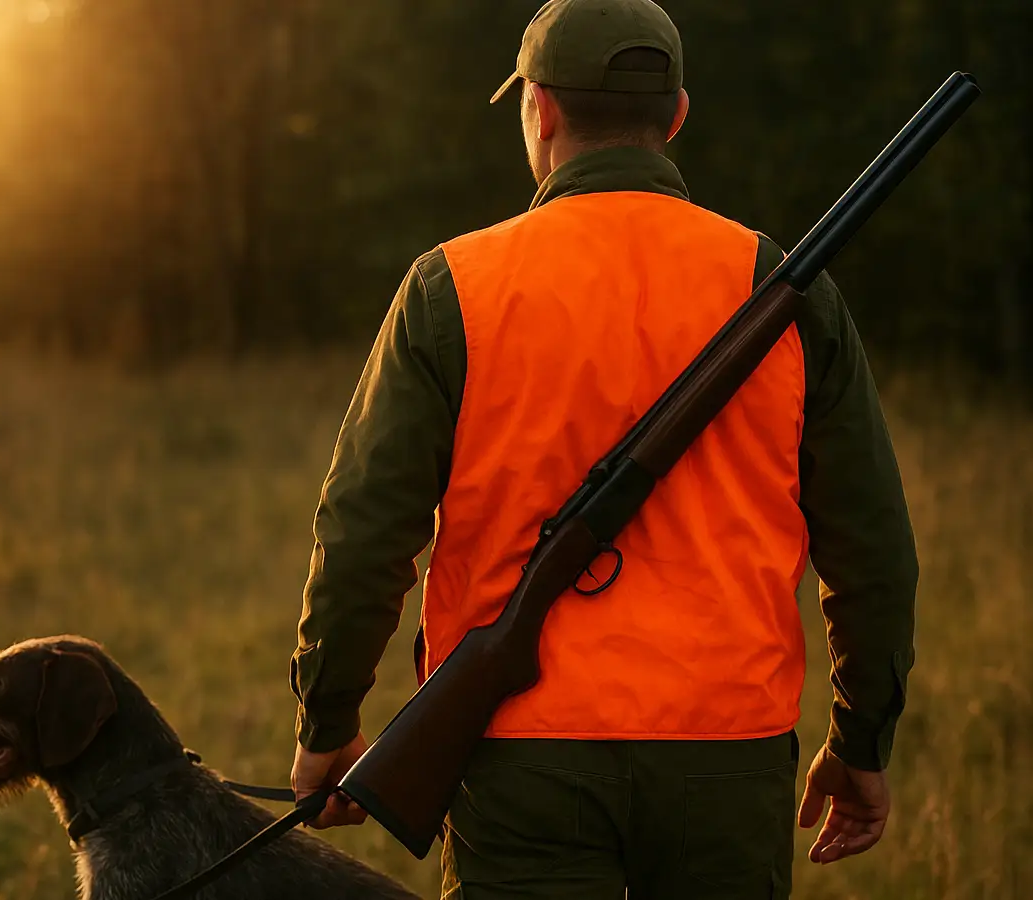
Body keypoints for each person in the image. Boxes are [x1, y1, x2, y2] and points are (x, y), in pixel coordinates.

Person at [289, 0, 919, 896]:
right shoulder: (777, 285)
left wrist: (326, 721)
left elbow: (363, 532)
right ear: (677, 114)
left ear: (539, 109)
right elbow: (874, 549)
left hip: (521, 758)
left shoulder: (452, 286)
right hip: (728, 753)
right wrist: (860, 740)